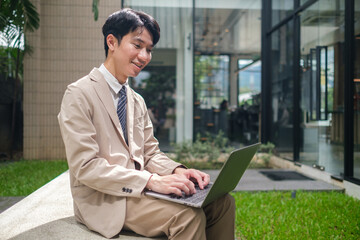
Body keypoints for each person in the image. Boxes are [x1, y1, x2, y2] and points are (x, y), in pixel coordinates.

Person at [58, 8, 235, 240]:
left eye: (149, 50)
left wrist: (179, 171)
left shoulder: (136, 100)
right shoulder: (79, 94)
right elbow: (86, 167)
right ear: (111, 42)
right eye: (138, 45)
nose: (144, 56)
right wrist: (151, 181)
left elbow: (150, 153)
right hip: (105, 198)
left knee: (223, 203)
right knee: (187, 216)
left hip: (140, 190)